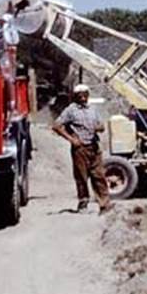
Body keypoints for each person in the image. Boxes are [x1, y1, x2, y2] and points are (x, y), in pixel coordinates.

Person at [52, 84, 113, 213]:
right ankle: (83, 202)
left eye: (85, 94)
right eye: (80, 95)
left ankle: (104, 204)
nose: (83, 97)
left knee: (99, 175)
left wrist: (99, 127)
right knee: (81, 177)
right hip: (80, 149)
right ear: (75, 96)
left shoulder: (93, 109)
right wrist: (71, 139)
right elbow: (57, 126)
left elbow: (101, 125)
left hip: (94, 147)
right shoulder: (71, 110)